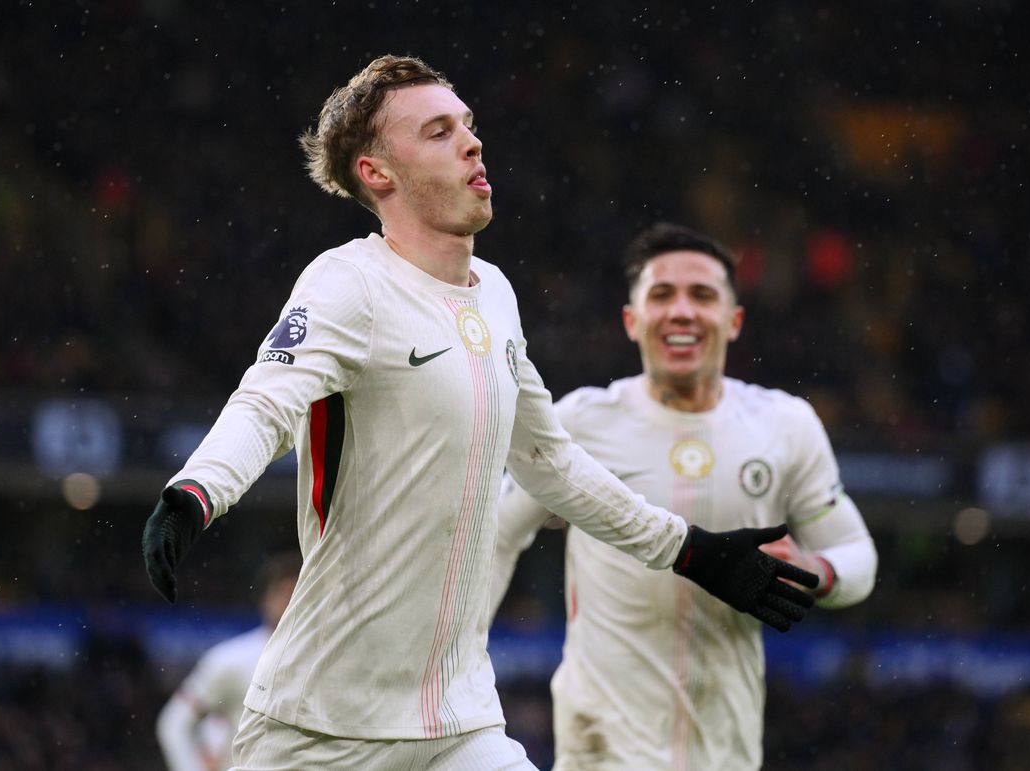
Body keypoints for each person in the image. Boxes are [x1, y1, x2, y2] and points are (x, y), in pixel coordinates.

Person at [141, 56, 817, 770]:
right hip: (320, 728)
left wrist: (693, 550)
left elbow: (549, 461)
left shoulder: (494, 294)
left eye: (469, 126)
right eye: (439, 131)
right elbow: (265, 402)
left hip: (460, 725)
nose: (472, 143)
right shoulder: (348, 285)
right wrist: (197, 490)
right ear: (377, 172)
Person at [490, 222, 879, 770]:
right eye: (661, 294)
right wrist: (457, 668)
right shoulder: (582, 420)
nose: (681, 311)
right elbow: (499, 533)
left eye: (702, 295)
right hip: (601, 752)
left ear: (733, 320)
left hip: (727, 751)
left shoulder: (785, 425)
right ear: (632, 320)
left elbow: (859, 557)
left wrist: (814, 569)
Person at [156, 552, 301, 771]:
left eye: (298, 593)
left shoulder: (330, 662)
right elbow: (174, 724)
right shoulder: (232, 660)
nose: (289, 602)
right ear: (265, 600)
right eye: (283, 593)